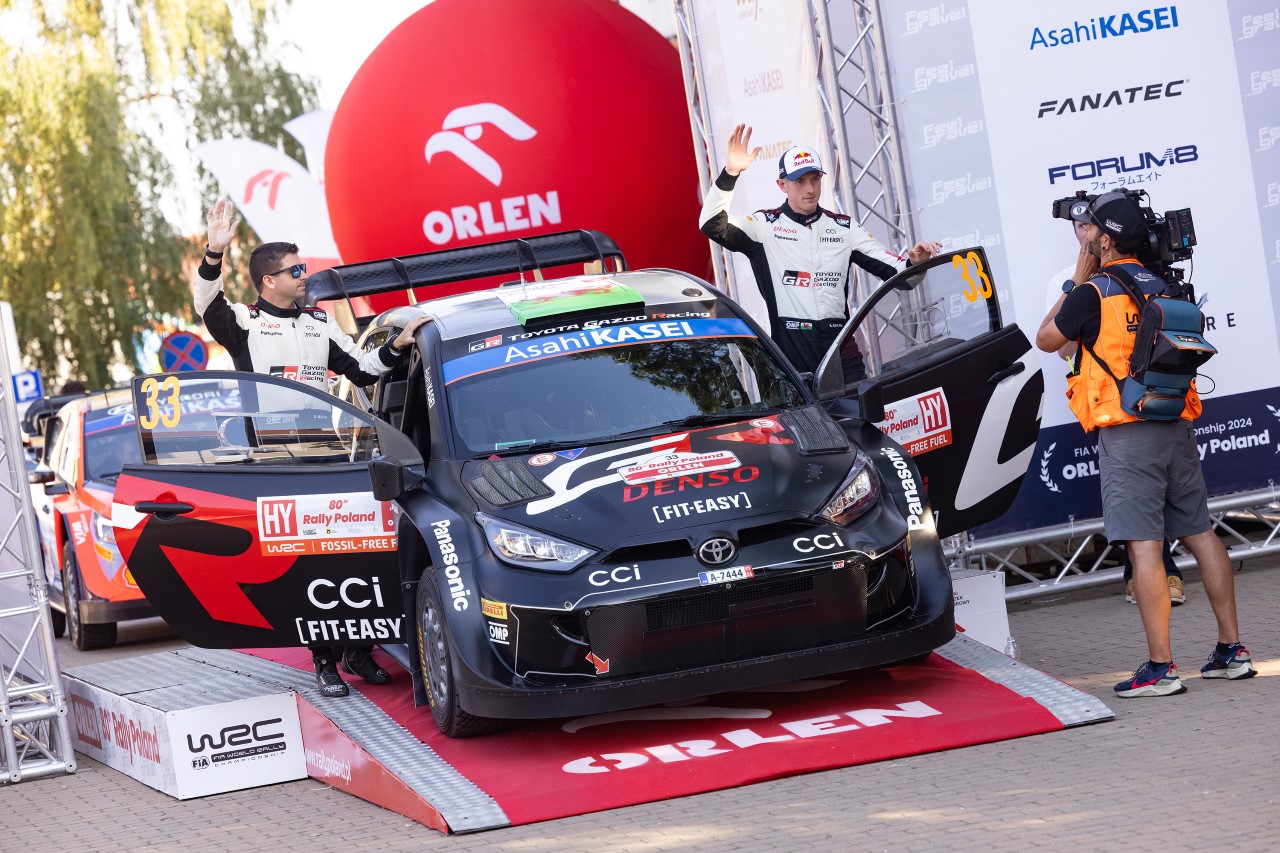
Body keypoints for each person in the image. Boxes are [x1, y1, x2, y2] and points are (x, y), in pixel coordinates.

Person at [199, 198, 429, 698]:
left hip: (328, 451)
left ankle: (358, 649)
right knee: (307, 560)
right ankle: (324, 661)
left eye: (303, 267)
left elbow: (363, 370)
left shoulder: (318, 322)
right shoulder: (243, 323)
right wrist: (214, 252)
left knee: (351, 548)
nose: (305, 276)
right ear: (268, 281)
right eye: (295, 270)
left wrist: (398, 344)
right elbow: (206, 304)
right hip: (276, 459)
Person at [1035, 191, 1255, 697]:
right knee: (1201, 533)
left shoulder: (1092, 292)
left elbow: (1046, 339)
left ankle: (1160, 669)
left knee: (1144, 546)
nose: (1084, 236)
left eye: (1090, 229)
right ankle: (1232, 651)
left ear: (1105, 240)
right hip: (1174, 422)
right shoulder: (1167, 284)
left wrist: (1078, 280)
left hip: (1127, 432)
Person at [699, 124, 942, 375]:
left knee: (862, 401)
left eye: (815, 179)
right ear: (782, 185)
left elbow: (904, 278)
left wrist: (916, 263)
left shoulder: (844, 228)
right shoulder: (764, 226)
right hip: (792, 355)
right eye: (800, 181)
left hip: (841, 351)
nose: (810, 189)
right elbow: (711, 225)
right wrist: (731, 173)